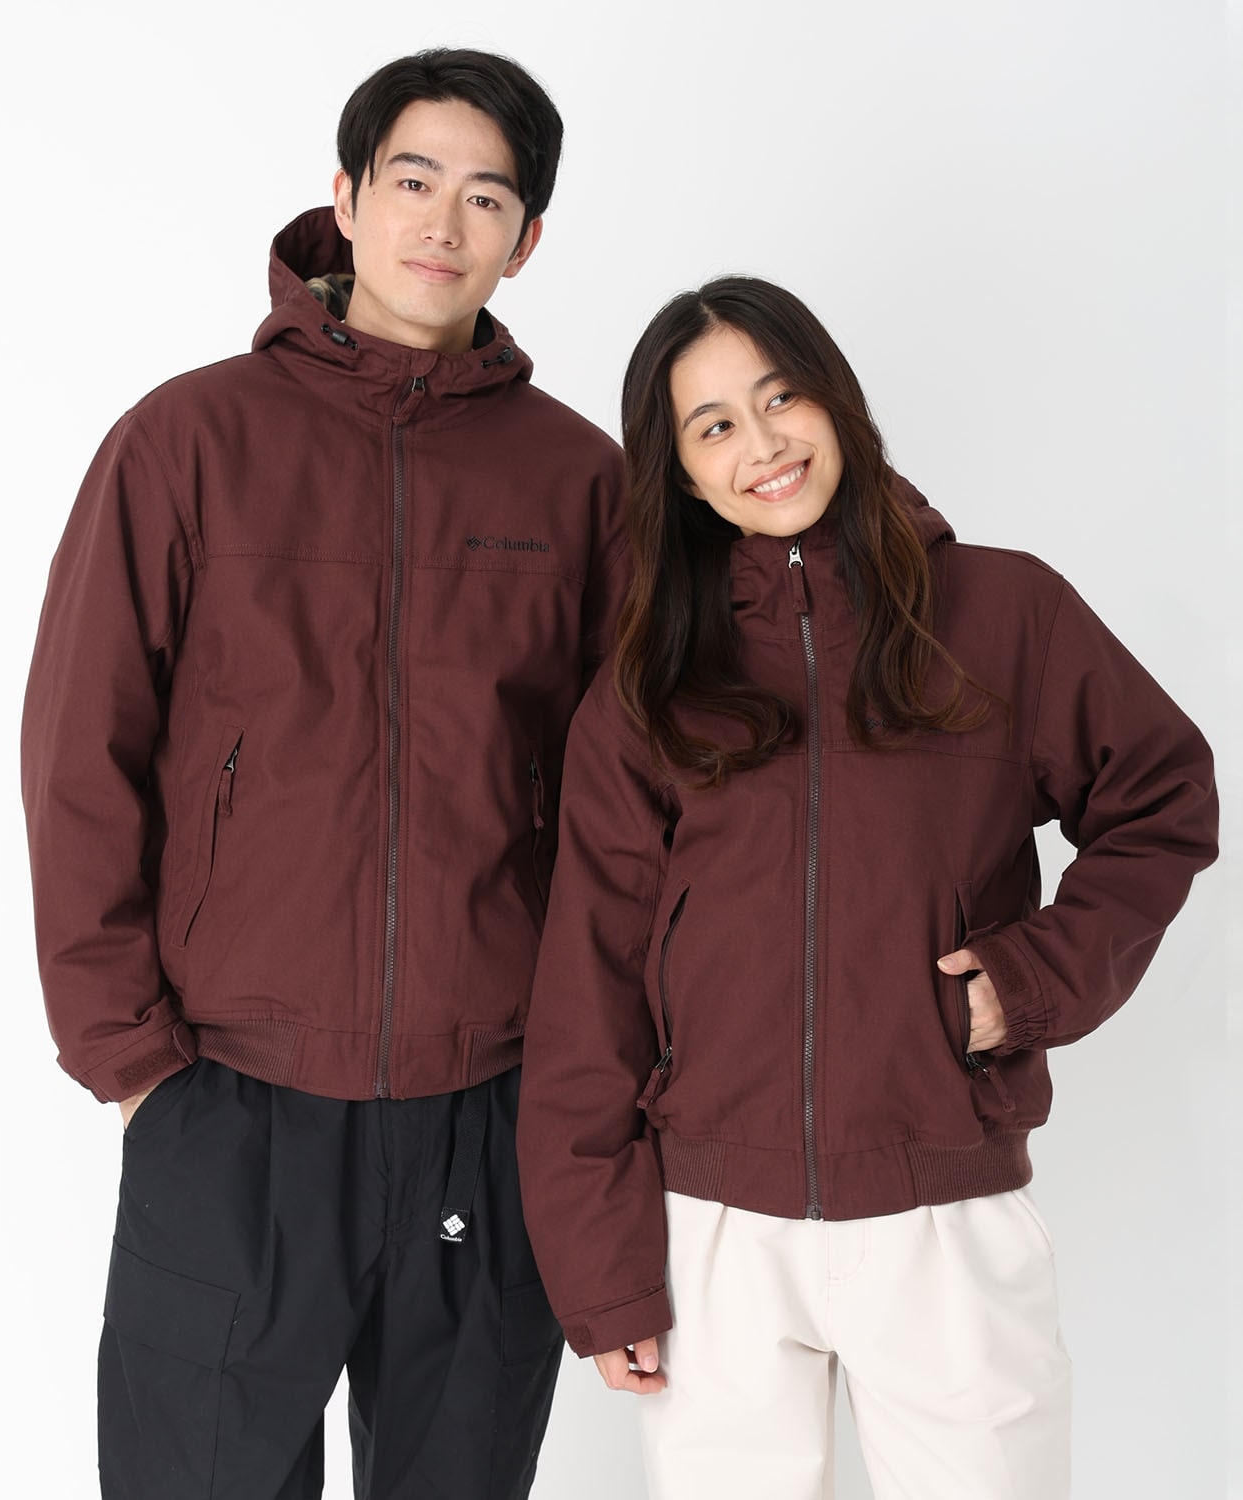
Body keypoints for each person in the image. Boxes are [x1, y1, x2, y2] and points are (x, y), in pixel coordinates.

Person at [21, 48, 626, 1500]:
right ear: (345, 198)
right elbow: (79, 755)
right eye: (412, 179)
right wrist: (130, 1063)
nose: (442, 222)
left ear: (527, 238)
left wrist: (587, 1078)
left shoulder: (579, 481)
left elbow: (627, 810)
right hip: (229, 1100)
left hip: (487, 1110)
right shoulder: (186, 441)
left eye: (486, 197)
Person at [515, 276, 1217, 1500]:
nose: (761, 444)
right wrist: (601, 1271)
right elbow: (589, 985)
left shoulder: (1003, 611)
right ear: (680, 476)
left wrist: (1029, 982)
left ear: (834, 401)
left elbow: (1159, 798)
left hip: (942, 1208)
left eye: (779, 397)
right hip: (712, 1231)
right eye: (713, 426)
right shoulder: (651, 678)